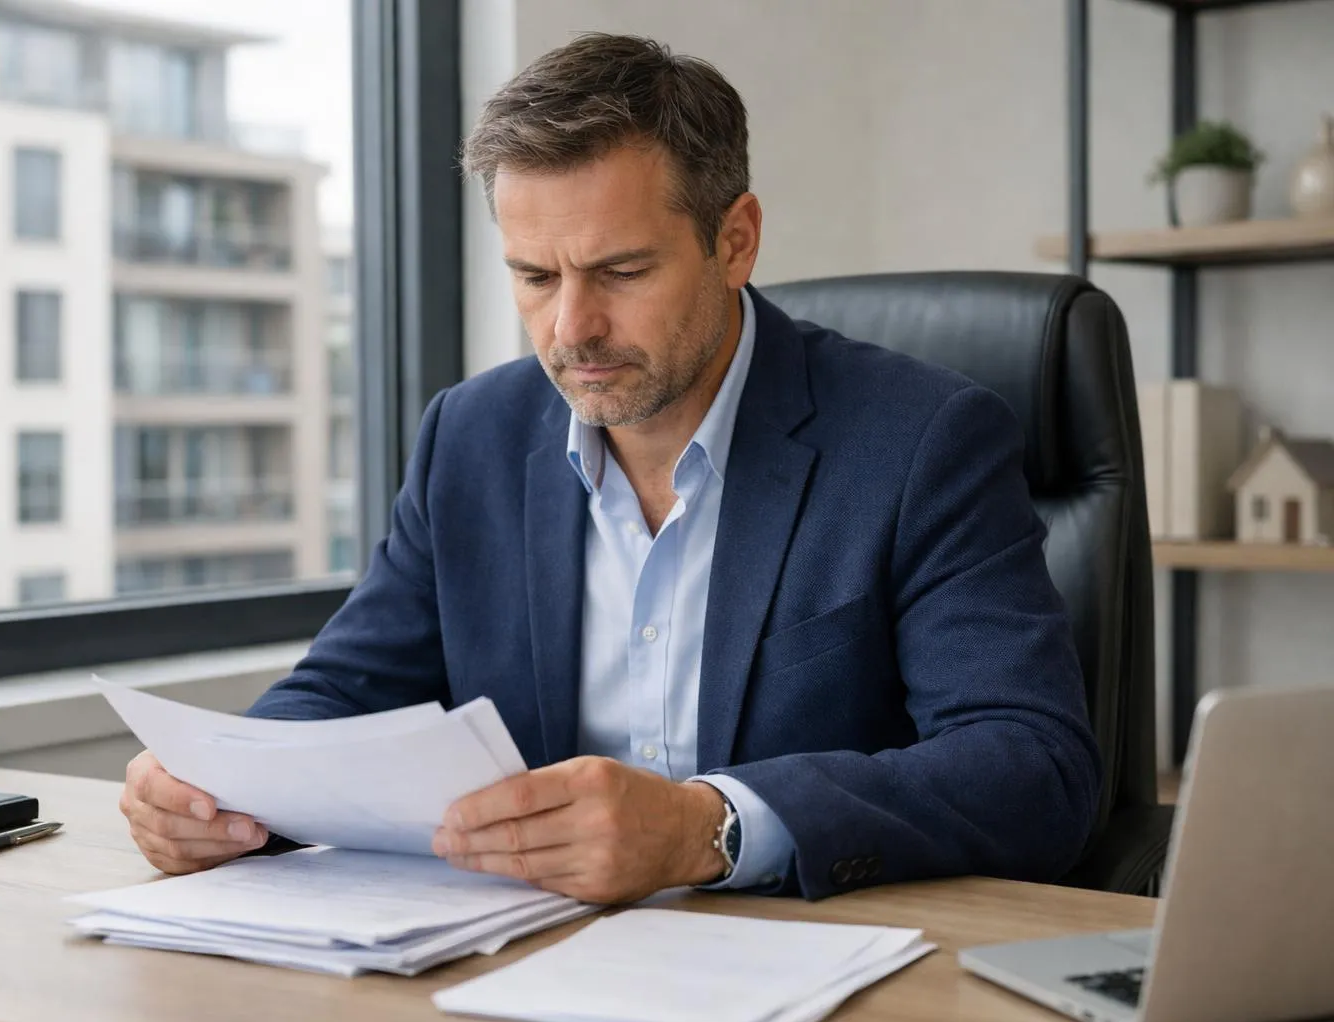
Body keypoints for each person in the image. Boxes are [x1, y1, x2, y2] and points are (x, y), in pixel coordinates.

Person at [118, 32, 1101, 904]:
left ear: (735, 242)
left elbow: (1033, 768)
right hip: (528, 954)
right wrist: (221, 792)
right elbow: (346, 688)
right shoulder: (471, 436)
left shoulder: (923, 439)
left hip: (809, 954)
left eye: (621, 272)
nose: (571, 328)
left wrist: (707, 828)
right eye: (534, 276)